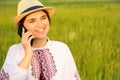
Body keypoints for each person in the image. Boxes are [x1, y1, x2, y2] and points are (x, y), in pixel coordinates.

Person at [0, 0, 81, 80]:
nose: (40, 24)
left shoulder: (61, 48)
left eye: (43, 18)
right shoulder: (15, 51)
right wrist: (28, 54)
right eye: (32, 21)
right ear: (22, 27)